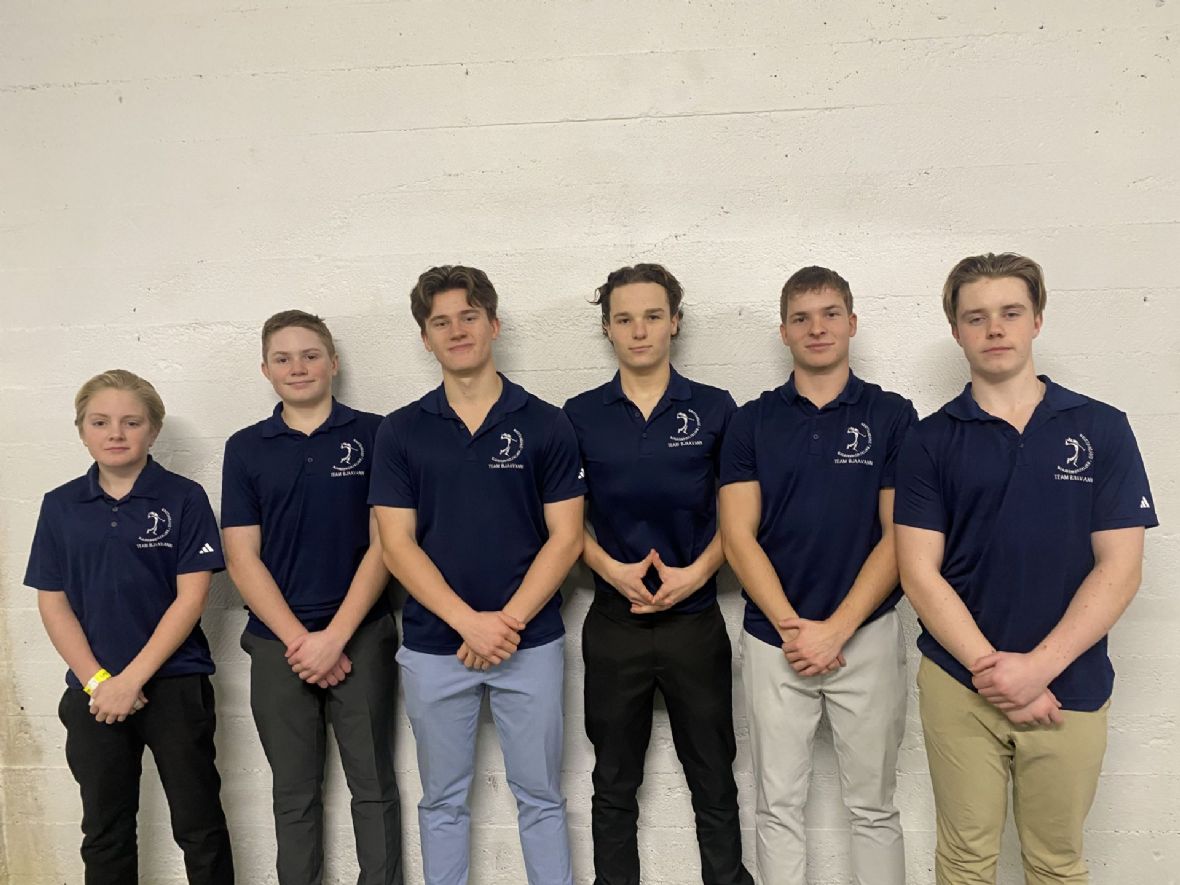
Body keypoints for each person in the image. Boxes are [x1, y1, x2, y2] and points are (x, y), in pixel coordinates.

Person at [894, 252, 1158, 884]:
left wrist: (1037, 669)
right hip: (960, 683)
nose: (995, 328)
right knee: (964, 862)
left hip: (1071, 684)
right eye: (976, 317)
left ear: (1037, 320)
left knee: (1056, 864)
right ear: (956, 331)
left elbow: (1120, 568)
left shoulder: (1101, 428)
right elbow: (919, 574)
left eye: (1010, 312)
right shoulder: (928, 441)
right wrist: (996, 673)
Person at [369, 265, 585, 885]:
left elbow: (567, 537)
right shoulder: (400, 430)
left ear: (494, 324)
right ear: (425, 337)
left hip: (530, 641)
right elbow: (396, 545)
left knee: (540, 796)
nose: (457, 331)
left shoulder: (545, 423)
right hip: (434, 646)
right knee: (441, 801)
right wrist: (469, 623)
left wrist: (505, 624)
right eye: (441, 322)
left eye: (469, 317)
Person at [719, 267, 915, 884]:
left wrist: (836, 629)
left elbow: (899, 537)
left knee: (873, 808)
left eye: (830, 314)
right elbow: (737, 536)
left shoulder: (892, 415)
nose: (817, 328)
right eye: (801, 318)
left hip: (867, 634)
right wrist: (792, 628)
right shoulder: (751, 421)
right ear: (784, 332)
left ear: (851, 323)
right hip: (774, 639)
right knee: (776, 807)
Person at [563, 263, 753, 885]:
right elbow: (561, 523)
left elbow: (741, 517)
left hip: (694, 622)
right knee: (614, 783)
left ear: (675, 322)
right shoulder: (579, 415)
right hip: (614, 625)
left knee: (714, 779)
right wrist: (610, 570)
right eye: (624, 319)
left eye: (652, 316)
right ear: (607, 329)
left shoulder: (716, 408)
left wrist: (697, 574)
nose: (639, 331)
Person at [25, 369, 234, 884]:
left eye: (131, 422)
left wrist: (131, 680)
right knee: (105, 830)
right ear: (82, 430)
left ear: (153, 430)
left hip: (175, 685)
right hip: (93, 694)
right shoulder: (60, 506)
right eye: (100, 422)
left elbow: (191, 599)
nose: (115, 433)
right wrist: (100, 682)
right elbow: (53, 603)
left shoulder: (184, 498)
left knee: (199, 825)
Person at [221, 310, 402, 885]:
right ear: (265, 370)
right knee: (293, 793)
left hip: (362, 635)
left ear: (333, 363)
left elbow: (387, 545)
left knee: (373, 786)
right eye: (283, 358)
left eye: (310, 355)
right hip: (278, 644)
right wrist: (303, 642)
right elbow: (241, 558)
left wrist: (336, 637)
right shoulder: (245, 448)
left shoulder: (377, 434)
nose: (297, 367)